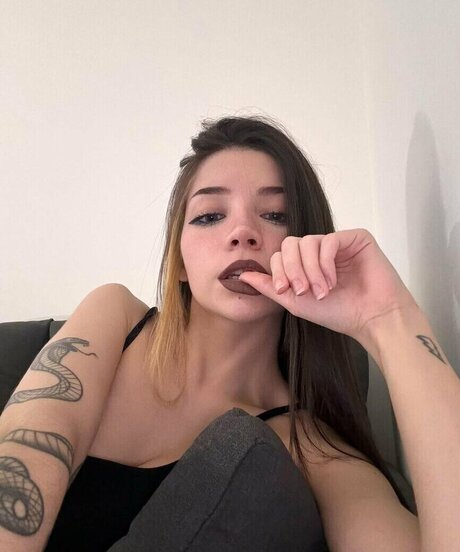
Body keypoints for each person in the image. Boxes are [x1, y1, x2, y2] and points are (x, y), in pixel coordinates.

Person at [0, 115, 458, 551]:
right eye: (209, 216)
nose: (243, 232)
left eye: (275, 214)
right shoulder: (114, 317)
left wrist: (389, 319)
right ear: (179, 262)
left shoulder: (311, 447)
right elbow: (25, 446)